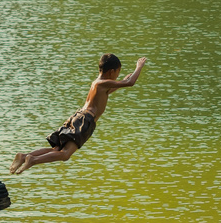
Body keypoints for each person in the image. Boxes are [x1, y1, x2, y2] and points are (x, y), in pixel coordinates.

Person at [9, 54, 146, 174]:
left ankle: (24, 156)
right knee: (65, 154)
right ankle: (32, 160)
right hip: (85, 121)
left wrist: (122, 82)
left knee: (57, 149)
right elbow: (130, 82)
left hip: (77, 117)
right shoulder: (102, 83)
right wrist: (138, 67)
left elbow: (110, 90)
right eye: (118, 72)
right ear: (111, 72)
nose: (117, 76)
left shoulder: (97, 84)